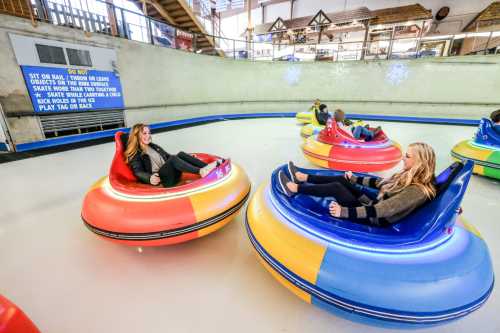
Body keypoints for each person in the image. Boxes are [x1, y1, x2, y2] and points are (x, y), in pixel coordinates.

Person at [278, 142, 437, 226]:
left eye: (407, 156)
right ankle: (302, 177)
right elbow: (381, 183)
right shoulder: (409, 175)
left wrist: (344, 212)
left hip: (374, 218)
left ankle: (293, 188)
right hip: (375, 203)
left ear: (419, 163)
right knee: (341, 180)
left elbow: (384, 209)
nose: (403, 158)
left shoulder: (417, 190)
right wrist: (354, 179)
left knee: (336, 188)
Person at [124, 124, 219, 187]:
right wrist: (149, 178)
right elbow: (138, 172)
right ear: (136, 135)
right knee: (174, 158)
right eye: (144, 133)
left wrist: (187, 158)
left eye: (149, 133)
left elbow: (168, 157)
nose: (148, 135)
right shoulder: (136, 152)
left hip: (170, 174)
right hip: (162, 180)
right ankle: (200, 171)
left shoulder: (153, 146)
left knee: (180, 154)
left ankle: (207, 167)